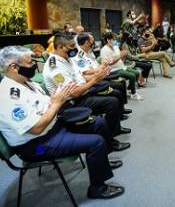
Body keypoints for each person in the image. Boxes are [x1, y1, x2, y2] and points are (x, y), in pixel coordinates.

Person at [0, 46, 125, 199]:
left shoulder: (27, 83)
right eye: (30, 62)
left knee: (99, 123)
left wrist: (54, 100)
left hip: (53, 128)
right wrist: (57, 103)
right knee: (96, 142)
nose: (34, 64)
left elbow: (43, 106)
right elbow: (37, 128)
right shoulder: (7, 96)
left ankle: (101, 161)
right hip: (36, 147)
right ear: (14, 67)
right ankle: (97, 188)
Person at [43, 33, 131, 151]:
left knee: (114, 98)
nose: (75, 48)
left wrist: (98, 74)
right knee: (112, 103)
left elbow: (80, 77)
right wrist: (95, 79)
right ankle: (110, 143)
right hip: (71, 103)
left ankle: (114, 132)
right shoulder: (55, 68)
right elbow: (74, 93)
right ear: (60, 47)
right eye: (71, 46)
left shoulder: (67, 59)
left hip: (83, 91)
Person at [99, 33, 144, 100]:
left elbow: (120, 58)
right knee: (132, 76)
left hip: (121, 66)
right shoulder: (104, 50)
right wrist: (120, 56)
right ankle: (133, 94)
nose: (115, 41)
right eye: (113, 39)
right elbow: (109, 63)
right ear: (108, 40)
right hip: (112, 70)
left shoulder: (116, 47)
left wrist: (123, 55)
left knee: (137, 73)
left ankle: (129, 90)